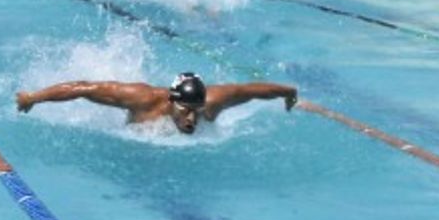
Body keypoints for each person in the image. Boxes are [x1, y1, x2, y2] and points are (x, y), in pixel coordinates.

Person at [16, 72, 298, 134]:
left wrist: (287, 91)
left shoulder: (211, 103)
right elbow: (83, 88)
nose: (192, 118)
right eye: (186, 110)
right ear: (171, 101)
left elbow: (249, 90)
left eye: (196, 111)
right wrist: (33, 98)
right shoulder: (144, 99)